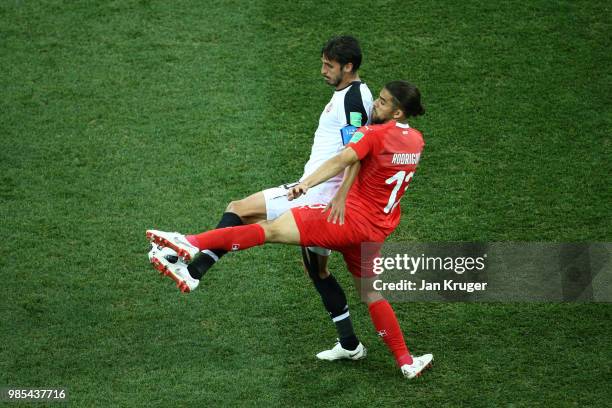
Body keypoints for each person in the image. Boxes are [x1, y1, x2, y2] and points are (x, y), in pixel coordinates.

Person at [147, 80, 433, 379]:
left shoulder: (373, 134)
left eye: (384, 102)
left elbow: (342, 160)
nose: (375, 103)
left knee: (269, 229)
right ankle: (405, 360)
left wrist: (305, 184)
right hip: (376, 231)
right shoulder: (416, 141)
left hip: (345, 221)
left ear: (398, 112)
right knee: (371, 293)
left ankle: (190, 243)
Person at [151, 35, 373, 361]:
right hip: (316, 191)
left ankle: (192, 268)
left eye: (329, 65)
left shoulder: (353, 100)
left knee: (239, 210)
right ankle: (351, 345)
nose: (323, 70)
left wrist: (339, 196)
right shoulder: (349, 94)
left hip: (317, 195)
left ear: (348, 66)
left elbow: (356, 154)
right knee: (317, 271)